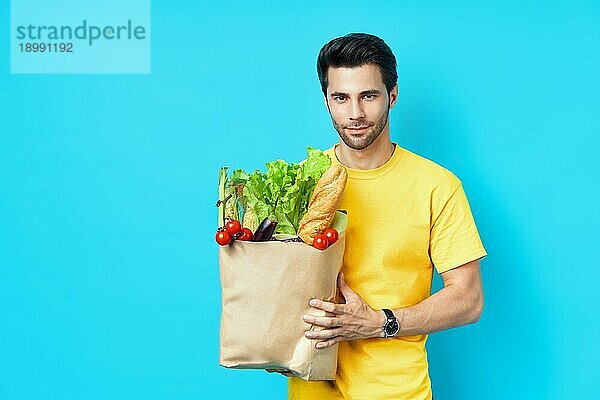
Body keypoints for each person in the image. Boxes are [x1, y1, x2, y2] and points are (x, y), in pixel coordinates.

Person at [281, 33, 488, 399]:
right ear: (326, 101)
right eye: (341, 98)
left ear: (392, 95)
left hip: (395, 391)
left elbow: (468, 300)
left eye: (369, 96)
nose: (355, 113)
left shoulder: (436, 185)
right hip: (310, 387)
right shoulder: (302, 182)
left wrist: (379, 323)